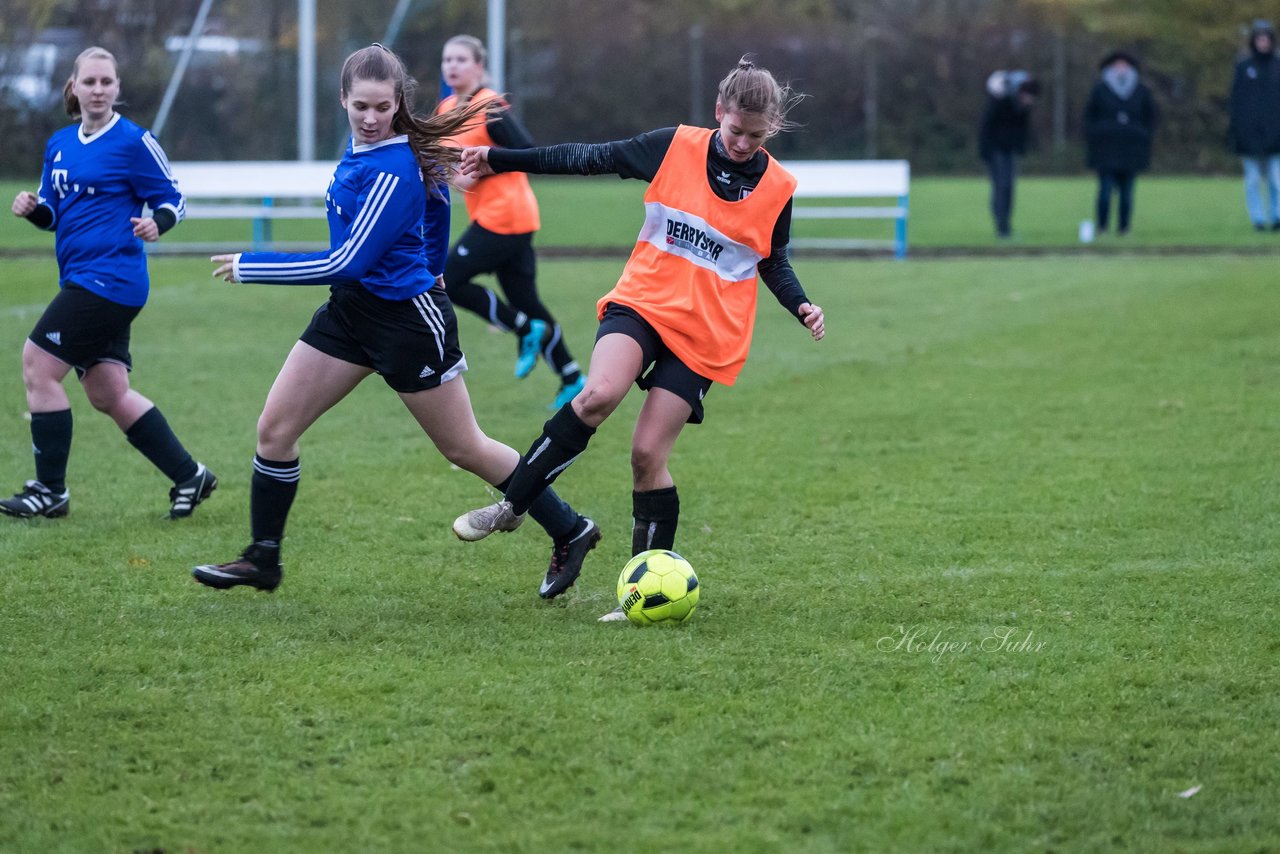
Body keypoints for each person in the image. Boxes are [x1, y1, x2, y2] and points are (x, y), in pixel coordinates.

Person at [191, 45, 599, 595]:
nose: (371, 117)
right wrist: (433, 267)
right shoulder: (373, 152)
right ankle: (263, 559)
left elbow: (347, 260)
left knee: (465, 447)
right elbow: (437, 205)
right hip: (350, 313)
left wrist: (253, 266)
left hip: (406, 324)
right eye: (361, 105)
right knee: (275, 429)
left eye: (383, 107)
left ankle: (571, 529)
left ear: (398, 102)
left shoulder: (390, 166)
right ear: (343, 99)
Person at [450, 56, 825, 618]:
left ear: (770, 128)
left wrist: (800, 303)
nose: (743, 142)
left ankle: (638, 595)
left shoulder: (779, 186)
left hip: (706, 332)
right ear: (719, 112)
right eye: (734, 130)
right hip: (644, 301)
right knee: (597, 395)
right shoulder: (673, 146)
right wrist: (497, 158)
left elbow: (772, 259)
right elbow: (587, 157)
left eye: (756, 134)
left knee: (648, 454)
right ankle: (513, 504)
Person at [2, 46, 217, 521]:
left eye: (107, 82)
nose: (98, 90)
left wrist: (159, 222)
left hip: (111, 280)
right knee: (107, 392)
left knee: (38, 365)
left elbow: (174, 197)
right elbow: (55, 214)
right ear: (74, 87)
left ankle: (49, 490)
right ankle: (190, 474)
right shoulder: (59, 143)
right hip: (82, 277)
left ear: (117, 89)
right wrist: (33, 209)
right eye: (90, 81)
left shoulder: (134, 141)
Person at [436, 35, 585, 409]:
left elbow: (525, 151)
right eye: (447, 59)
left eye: (461, 59)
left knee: (449, 280)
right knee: (527, 301)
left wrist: (483, 168)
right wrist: (453, 176)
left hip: (505, 217)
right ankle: (572, 376)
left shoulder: (490, 107)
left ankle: (520, 328)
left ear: (479, 67)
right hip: (505, 219)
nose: (452, 65)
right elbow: (447, 168)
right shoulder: (445, 109)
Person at [1083, 51, 1158, 236]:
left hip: (1131, 149)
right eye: (1117, 64)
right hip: (1105, 149)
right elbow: (1088, 118)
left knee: (1127, 193)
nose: (1121, 68)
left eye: (1124, 64)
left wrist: (1141, 133)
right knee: (1105, 191)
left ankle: (1124, 228)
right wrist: (1099, 132)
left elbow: (1152, 117)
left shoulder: (1141, 90)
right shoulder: (1100, 90)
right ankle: (1102, 226)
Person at [1228, 19, 1280, 231]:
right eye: (1259, 38)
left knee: (1276, 180)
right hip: (1249, 135)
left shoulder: (1278, 66)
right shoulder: (1243, 67)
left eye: (1266, 38)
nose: (1263, 42)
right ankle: (1257, 219)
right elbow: (1235, 101)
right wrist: (1239, 130)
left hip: (1276, 134)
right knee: (1252, 180)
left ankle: (1277, 216)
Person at [978, 70, 1039, 239]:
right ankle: (1001, 227)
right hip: (996, 151)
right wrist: (986, 152)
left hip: (1009, 151)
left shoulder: (1021, 106)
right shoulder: (998, 102)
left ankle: (1005, 226)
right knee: (1001, 187)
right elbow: (986, 128)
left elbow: (1021, 131)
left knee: (1009, 188)